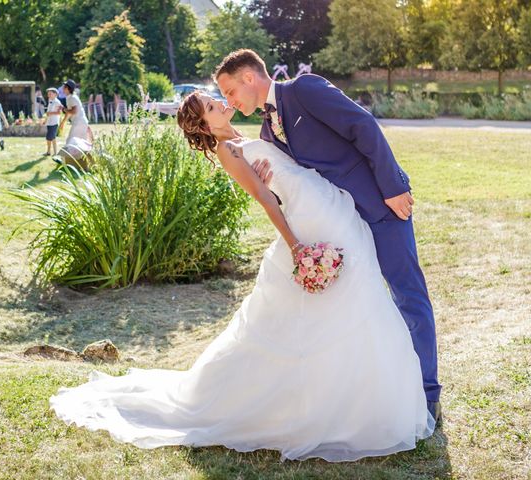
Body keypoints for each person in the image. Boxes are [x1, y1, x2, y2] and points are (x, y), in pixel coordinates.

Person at [49, 90, 434, 461]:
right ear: (204, 124)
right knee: (330, 312)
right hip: (309, 229)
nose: (220, 102)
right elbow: (266, 201)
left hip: (330, 213)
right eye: (212, 105)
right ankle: (325, 408)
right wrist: (297, 247)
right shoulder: (228, 150)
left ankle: (357, 400)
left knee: (351, 307)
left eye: (216, 98)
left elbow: (284, 178)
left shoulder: (251, 137)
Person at [214, 49, 442, 422]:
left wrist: (393, 186)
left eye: (230, 91)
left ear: (249, 78)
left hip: (381, 206)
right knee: (368, 306)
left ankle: (427, 391)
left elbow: (363, 126)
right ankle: (387, 386)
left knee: (408, 295)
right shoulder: (267, 131)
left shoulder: (303, 89)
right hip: (341, 226)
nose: (229, 101)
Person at [58, 79, 93, 144]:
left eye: (64, 86)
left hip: (79, 123)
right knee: (82, 144)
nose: (63, 88)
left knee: (70, 142)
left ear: (68, 88)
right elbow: (69, 113)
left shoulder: (72, 98)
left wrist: (64, 109)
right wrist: (63, 122)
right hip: (80, 122)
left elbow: (74, 111)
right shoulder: (69, 97)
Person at [43, 87, 62, 156]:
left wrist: (50, 113)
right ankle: (52, 152)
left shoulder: (57, 102)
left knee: (49, 137)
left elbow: (59, 112)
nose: (48, 95)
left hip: (54, 122)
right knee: (52, 138)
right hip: (49, 122)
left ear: (55, 94)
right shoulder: (50, 101)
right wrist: (45, 120)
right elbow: (48, 111)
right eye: (48, 94)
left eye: (50, 94)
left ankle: (52, 152)